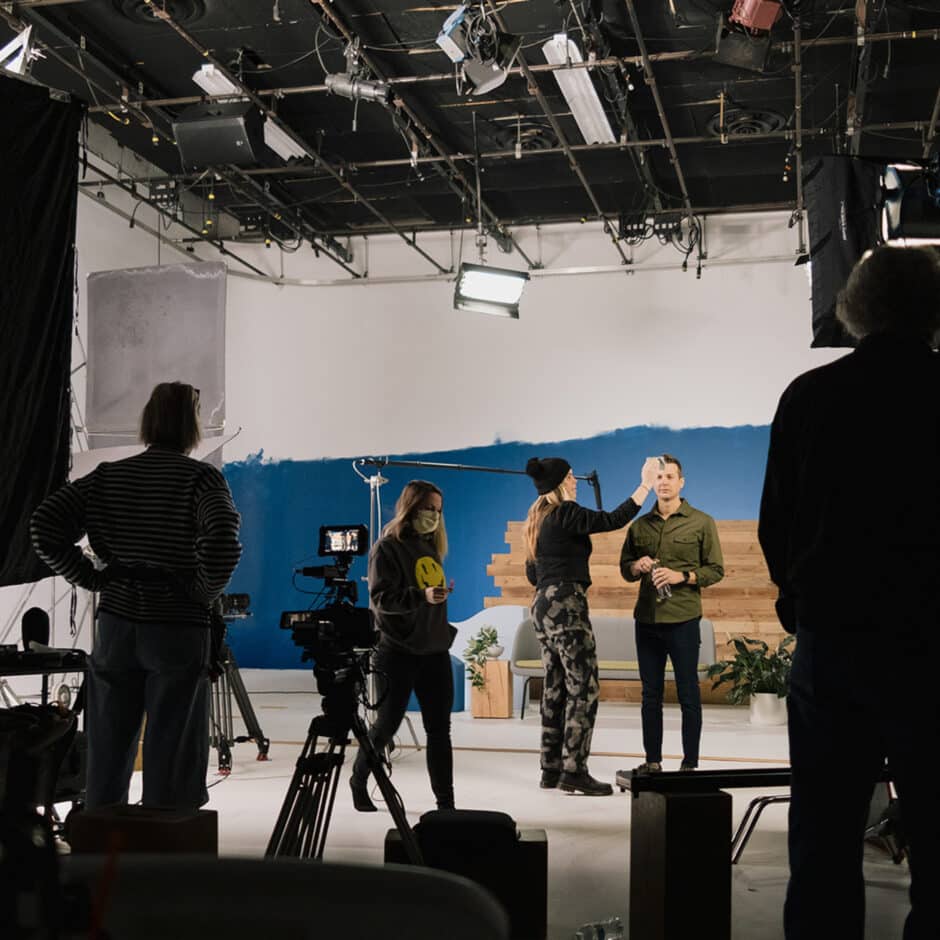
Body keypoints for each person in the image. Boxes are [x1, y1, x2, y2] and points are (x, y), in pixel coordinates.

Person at [758, 244, 940, 940]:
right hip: (932, 645)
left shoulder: (810, 396)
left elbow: (777, 525)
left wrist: (798, 603)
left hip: (834, 644)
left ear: (854, 310)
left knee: (825, 839)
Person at [30, 381, 242, 810]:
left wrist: (92, 579)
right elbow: (223, 539)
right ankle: (163, 841)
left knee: (107, 748)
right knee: (173, 751)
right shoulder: (201, 479)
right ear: (191, 426)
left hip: (117, 625)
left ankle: (104, 837)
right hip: (177, 628)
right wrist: (202, 592)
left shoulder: (108, 476)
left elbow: (44, 526)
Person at [524, 455, 659, 796]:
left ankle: (551, 769)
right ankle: (574, 771)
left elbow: (532, 574)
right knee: (583, 686)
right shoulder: (565, 512)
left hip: (541, 606)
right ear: (558, 483)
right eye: (570, 477)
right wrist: (645, 484)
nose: (575, 481)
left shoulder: (537, 519)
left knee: (555, 686)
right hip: (566, 604)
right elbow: (612, 519)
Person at [350, 480, 457, 812]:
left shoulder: (430, 547)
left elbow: (425, 596)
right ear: (411, 508)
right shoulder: (387, 548)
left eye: (438, 510)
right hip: (398, 652)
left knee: (439, 732)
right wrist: (420, 596)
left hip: (435, 651)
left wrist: (434, 597)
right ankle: (359, 779)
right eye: (428, 509)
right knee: (386, 726)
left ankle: (446, 805)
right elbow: (381, 600)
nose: (434, 516)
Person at [619, 455, 723, 773]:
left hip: (684, 620)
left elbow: (715, 570)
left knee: (688, 693)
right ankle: (652, 762)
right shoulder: (639, 525)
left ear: (681, 482)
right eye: (659, 477)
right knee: (650, 695)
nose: (664, 482)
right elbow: (625, 568)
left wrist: (683, 576)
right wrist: (637, 566)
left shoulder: (702, 522)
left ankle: (689, 765)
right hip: (647, 621)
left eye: (670, 476)